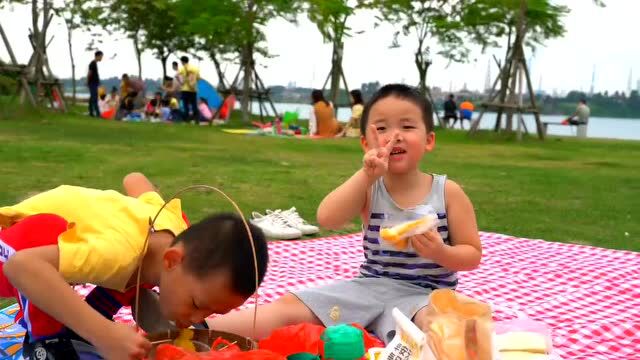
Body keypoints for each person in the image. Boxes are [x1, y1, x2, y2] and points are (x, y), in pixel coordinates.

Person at [206, 84, 482, 344]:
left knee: (443, 326)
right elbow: (327, 218)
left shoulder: (448, 193)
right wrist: (365, 176)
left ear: (429, 140)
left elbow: (472, 254)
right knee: (291, 306)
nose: (394, 135)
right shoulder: (369, 188)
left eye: (407, 126)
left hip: (426, 296)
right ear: (365, 143)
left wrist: (440, 253)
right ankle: (199, 330)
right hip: (368, 289)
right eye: (382, 128)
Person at [0, 172, 269, 359]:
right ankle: (47, 345)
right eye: (198, 304)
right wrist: (103, 334)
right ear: (172, 260)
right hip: (13, 252)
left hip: (73, 248)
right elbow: (21, 267)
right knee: (48, 236)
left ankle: (78, 328)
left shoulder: (172, 226)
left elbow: (135, 180)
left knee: (136, 274)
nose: (199, 319)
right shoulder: (117, 252)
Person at [179, 56, 200, 121]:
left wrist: (182, 81)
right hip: (193, 89)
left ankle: (187, 119)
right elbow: (198, 78)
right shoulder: (195, 68)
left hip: (185, 90)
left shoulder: (182, 69)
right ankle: (196, 118)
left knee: (186, 105)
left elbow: (180, 79)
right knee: (194, 104)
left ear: (182, 61)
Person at [87, 51, 103, 118]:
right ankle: (98, 114)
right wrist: (87, 81)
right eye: (101, 56)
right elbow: (89, 73)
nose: (102, 58)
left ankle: (91, 113)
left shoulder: (95, 64)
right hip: (92, 83)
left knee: (92, 99)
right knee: (95, 98)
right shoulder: (92, 63)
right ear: (97, 56)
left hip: (95, 83)